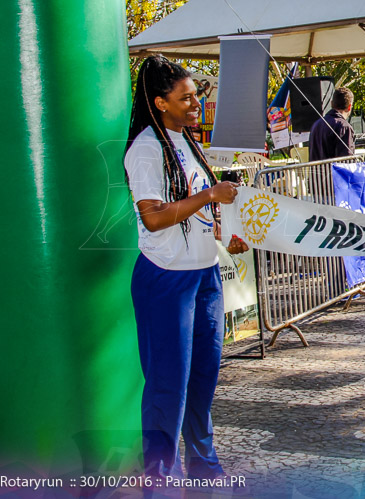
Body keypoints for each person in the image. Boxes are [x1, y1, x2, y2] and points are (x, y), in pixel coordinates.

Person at [123, 55, 249, 483]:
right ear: (160, 103)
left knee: (201, 384)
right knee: (167, 390)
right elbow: (155, 217)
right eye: (187, 97)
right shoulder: (146, 148)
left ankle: (204, 471)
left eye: (197, 95)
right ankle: (159, 480)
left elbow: (194, 208)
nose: (197, 104)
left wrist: (222, 235)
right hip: (166, 280)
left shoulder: (186, 143)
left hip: (204, 275)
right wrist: (210, 193)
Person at [308, 87, 355, 161]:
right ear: (349, 106)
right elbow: (347, 160)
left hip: (316, 172)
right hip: (333, 172)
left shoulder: (316, 124)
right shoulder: (344, 127)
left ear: (331, 103)